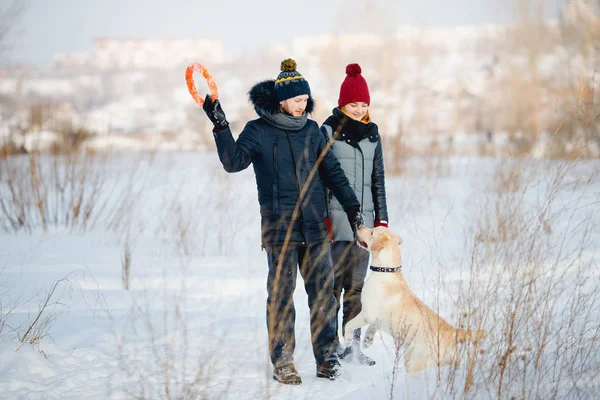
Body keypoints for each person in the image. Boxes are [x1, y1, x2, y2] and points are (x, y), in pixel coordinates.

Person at [201, 59, 365, 384]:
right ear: (281, 101)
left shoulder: (312, 131)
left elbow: (333, 174)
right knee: (281, 297)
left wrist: (353, 208)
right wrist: (221, 127)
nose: (303, 104)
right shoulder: (257, 131)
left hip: (315, 228)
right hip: (281, 231)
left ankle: (328, 359)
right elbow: (233, 163)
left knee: (323, 296)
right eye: (296, 100)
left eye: (305, 99)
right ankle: (283, 362)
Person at [321, 63, 389, 366]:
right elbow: (320, 179)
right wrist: (323, 218)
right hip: (335, 225)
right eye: (353, 104)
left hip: (365, 229)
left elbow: (378, 181)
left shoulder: (372, 135)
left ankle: (353, 347)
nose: (359, 109)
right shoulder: (326, 132)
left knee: (358, 289)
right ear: (342, 104)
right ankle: (331, 347)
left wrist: (381, 221)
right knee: (331, 288)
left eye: (364, 104)